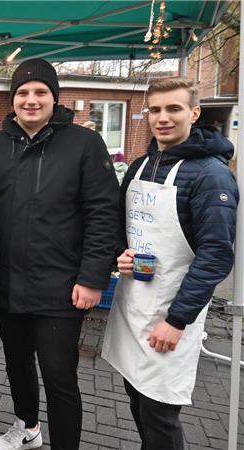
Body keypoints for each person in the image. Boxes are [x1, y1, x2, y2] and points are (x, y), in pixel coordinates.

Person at [0, 58, 118, 450]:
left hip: (61, 287)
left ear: (55, 98)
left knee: (59, 376)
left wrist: (92, 277)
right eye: (23, 92)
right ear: (12, 99)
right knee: (16, 364)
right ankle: (28, 429)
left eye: (40, 92)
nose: (31, 99)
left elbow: (104, 214)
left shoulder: (84, 144)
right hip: (6, 286)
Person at [102, 78, 237, 449]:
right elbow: (120, 223)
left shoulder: (211, 175)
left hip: (171, 312)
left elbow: (215, 256)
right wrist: (121, 252)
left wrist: (177, 321)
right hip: (133, 305)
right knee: (136, 397)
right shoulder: (141, 165)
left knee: (159, 415)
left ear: (194, 113)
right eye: (156, 109)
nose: (163, 118)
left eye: (174, 109)